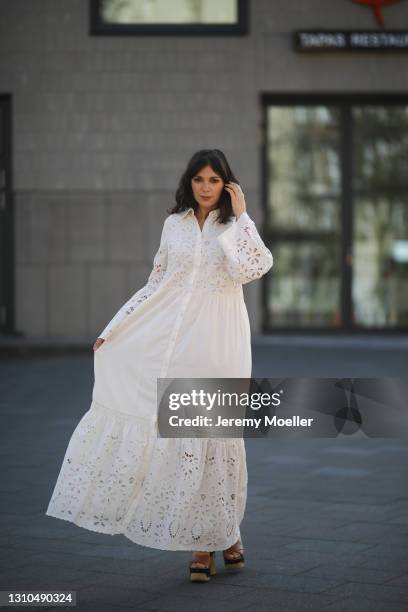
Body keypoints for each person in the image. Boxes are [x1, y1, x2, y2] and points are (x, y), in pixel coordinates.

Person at [45, 149, 273, 583]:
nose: (205, 187)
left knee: (211, 439)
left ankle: (210, 543)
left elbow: (254, 267)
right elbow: (156, 283)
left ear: (227, 184)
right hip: (175, 339)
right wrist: (116, 327)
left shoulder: (233, 225)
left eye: (213, 180)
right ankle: (221, 539)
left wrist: (243, 218)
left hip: (218, 342)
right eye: (198, 179)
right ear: (189, 183)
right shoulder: (174, 225)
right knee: (184, 439)